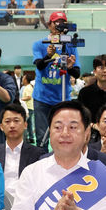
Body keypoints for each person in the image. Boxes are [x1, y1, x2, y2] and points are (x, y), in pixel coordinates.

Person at [32, 11, 81, 148]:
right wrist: (49, 55)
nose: (59, 25)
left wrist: (70, 67)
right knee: (42, 138)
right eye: (56, 22)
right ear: (49, 25)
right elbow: (39, 65)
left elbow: (76, 73)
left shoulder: (70, 46)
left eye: (62, 22)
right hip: (42, 98)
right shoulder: (40, 44)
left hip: (63, 98)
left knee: (63, 136)